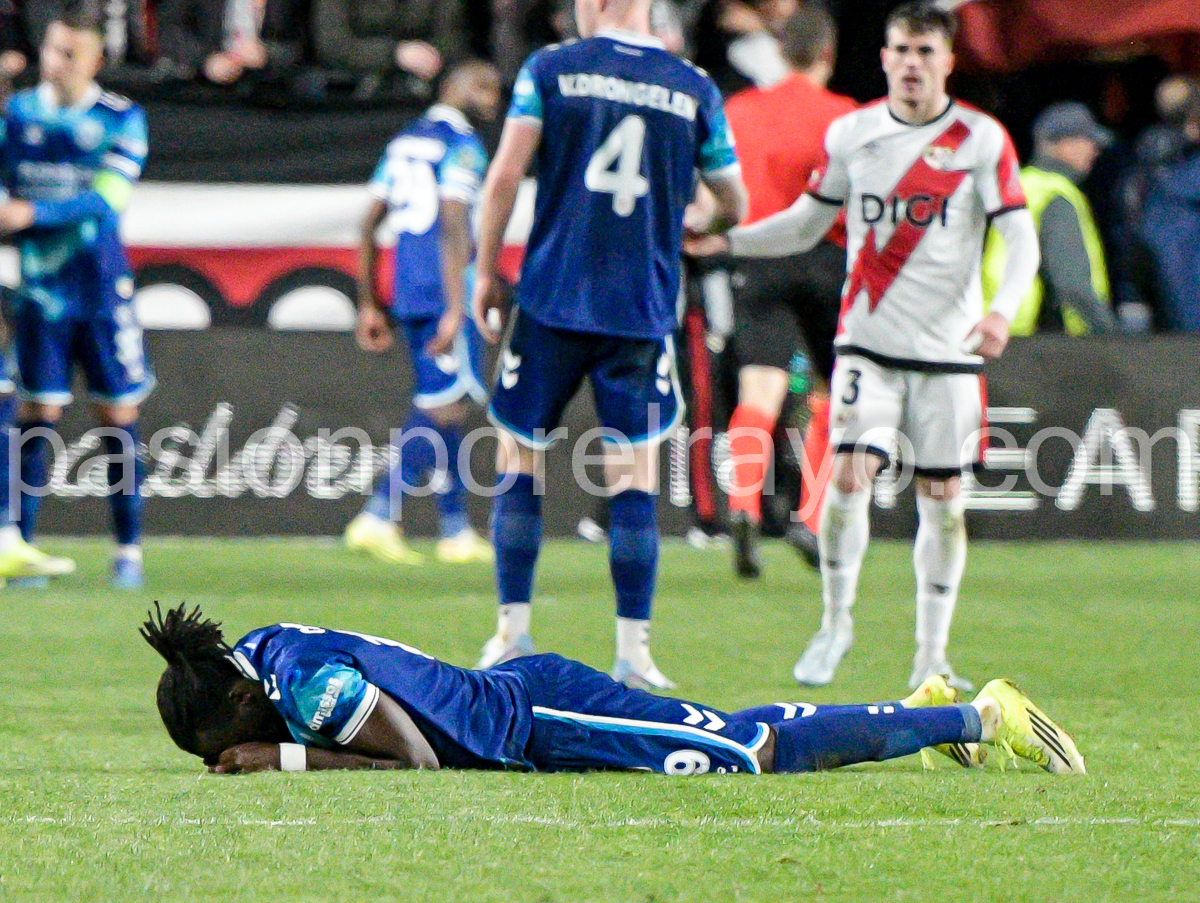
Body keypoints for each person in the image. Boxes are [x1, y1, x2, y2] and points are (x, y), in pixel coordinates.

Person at [687, 2, 1040, 690]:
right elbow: (804, 223)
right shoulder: (852, 132)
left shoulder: (980, 138)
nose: (912, 63)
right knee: (848, 477)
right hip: (866, 345)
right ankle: (834, 622)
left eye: (925, 52)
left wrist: (999, 311)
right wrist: (730, 239)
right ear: (883, 57)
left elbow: (1019, 235)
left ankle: (931, 654)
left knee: (944, 498)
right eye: (901, 50)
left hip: (948, 351)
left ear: (948, 61)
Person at [468, 0, 749, 690]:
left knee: (519, 462)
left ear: (592, 5)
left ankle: (511, 632)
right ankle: (634, 652)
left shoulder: (551, 69)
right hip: (639, 309)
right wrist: (693, 215)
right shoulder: (692, 87)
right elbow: (733, 201)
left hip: (552, 299)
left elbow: (504, 175)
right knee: (634, 481)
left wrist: (482, 271)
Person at [141, 603, 1086, 777]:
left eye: (219, 745)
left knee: (749, 751)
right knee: (736, 734)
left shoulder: (298, 689)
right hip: (524, 709)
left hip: (537, 712)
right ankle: (924, 708)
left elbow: (421, 759)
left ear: (233, 709)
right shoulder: (257, 650)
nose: (230, 758)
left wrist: (287, 758)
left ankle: (982, 712)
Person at [0, 7, 153, 588]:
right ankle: (21, 547)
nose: (56, 63)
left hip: (100, 291)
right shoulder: (15, 115)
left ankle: (129, 549)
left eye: (70, 54)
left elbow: (108, 198)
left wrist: (30, 213)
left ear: (95, 60)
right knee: (37, 413)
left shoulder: (121, 118)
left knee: (116, 416)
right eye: (52, 50)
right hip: (40, 293)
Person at [343, 61, 502, 567]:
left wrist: (369, 300)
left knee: (444, 405)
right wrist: (458, 306)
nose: (493, 100)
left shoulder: (405, 141)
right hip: (443, 289)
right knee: (446, 407)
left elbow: (368, 224)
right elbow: (454, 223)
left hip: (408, 287)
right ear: (456, 87)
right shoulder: (463, 146)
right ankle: (378, 513)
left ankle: (454, 529)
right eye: (486, 88)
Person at [720, 3, 855, 578]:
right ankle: (811, 514)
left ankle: (743, 507)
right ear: (828, 52)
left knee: (760, 390)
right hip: (826, 258)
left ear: (779, 51)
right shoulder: (845, 116)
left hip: (758, 257)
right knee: (836, 393)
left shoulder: (740, 110)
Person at [981, 102, 1116, 336]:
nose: (1096, 151)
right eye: (1089, 141)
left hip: (997, 328)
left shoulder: (1017, 186)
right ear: (1065, 144)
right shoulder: (1055, 195)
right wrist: (1109, 332)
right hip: (1039, 341)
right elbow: (1071, 282)